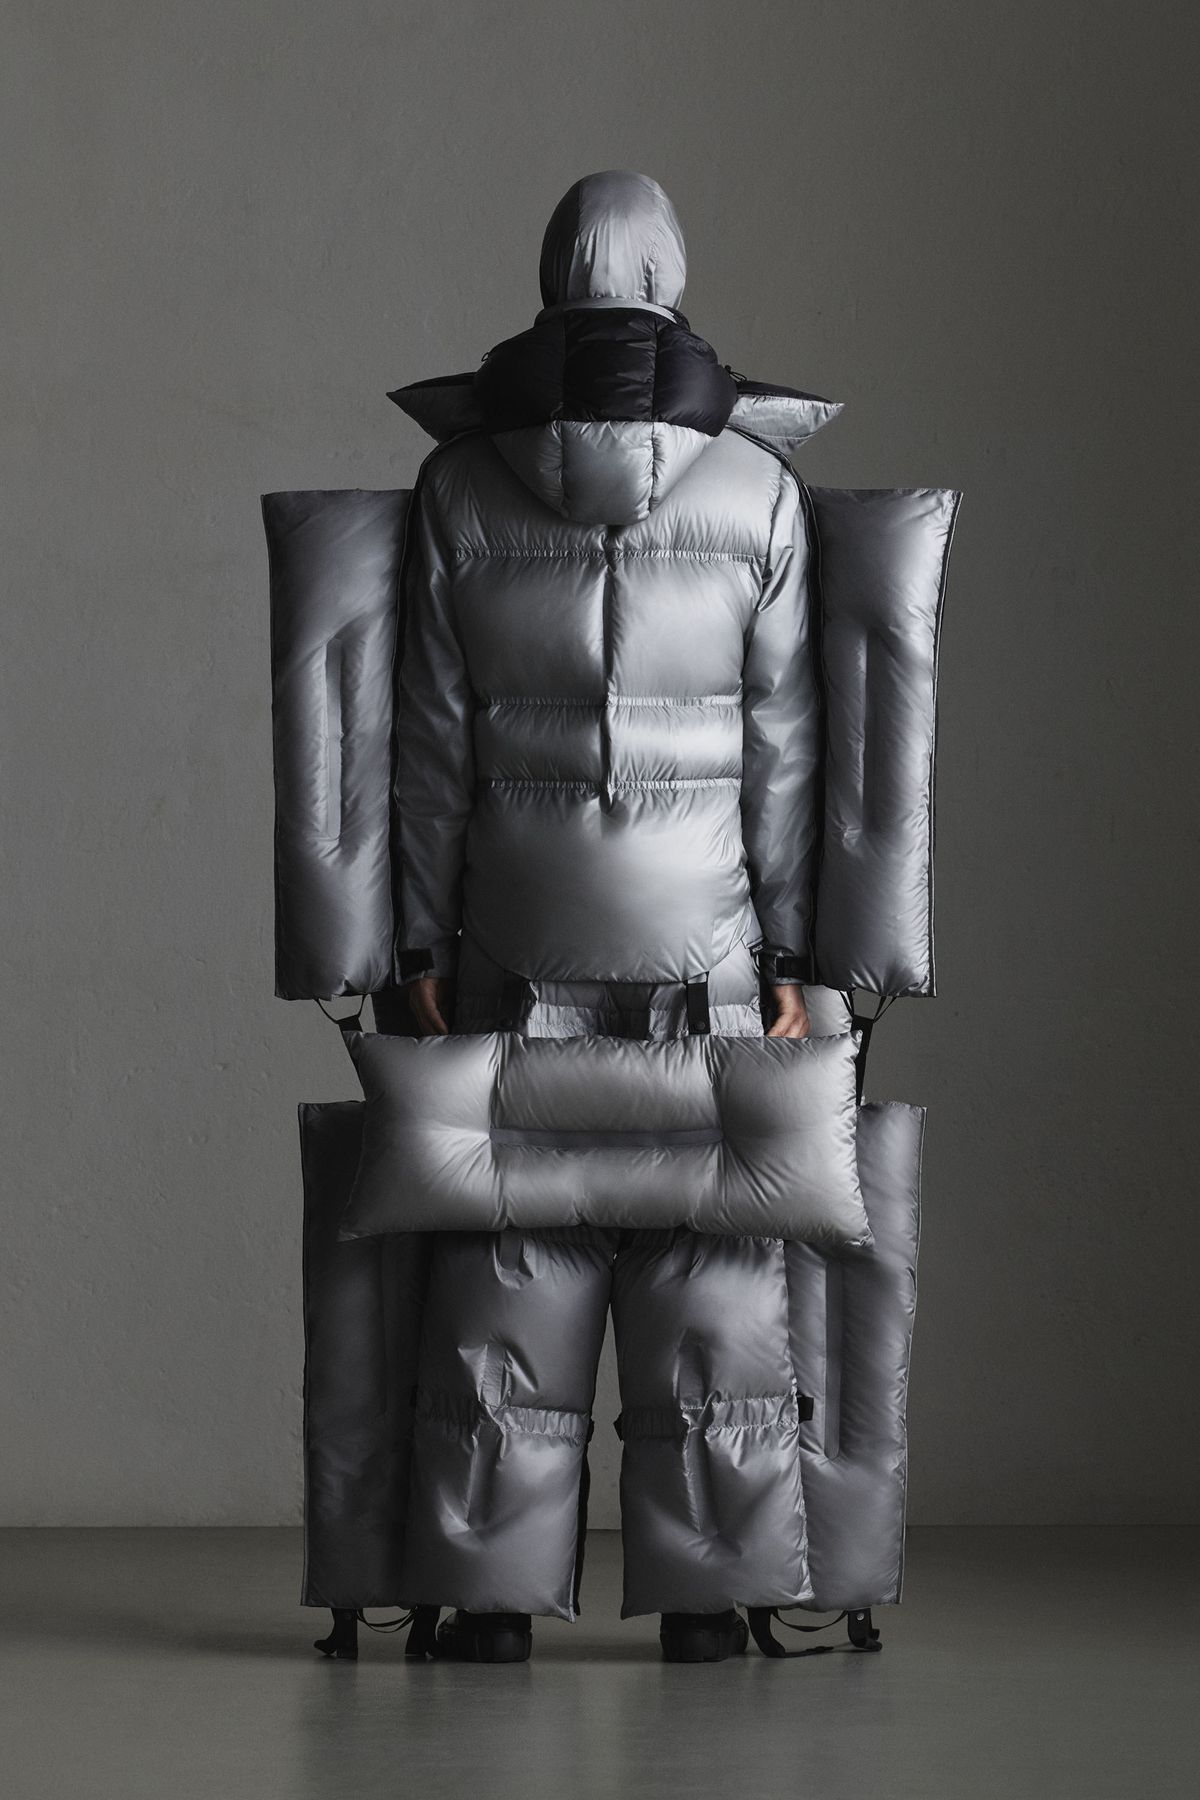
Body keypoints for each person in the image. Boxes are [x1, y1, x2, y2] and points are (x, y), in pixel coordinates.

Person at [373, 169, 820, 1664]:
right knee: (709, 1250)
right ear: (671, 279)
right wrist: (796, 959)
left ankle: (491, 1601)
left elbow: (428, 751)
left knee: (515, 1245)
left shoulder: (458, 488)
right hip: (710, 948)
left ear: (552, 277)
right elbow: (787, 755)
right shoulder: (761, 489)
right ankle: (714, 1598)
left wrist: (418, 947)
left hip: (513, 939)